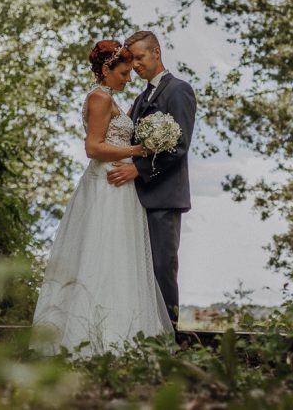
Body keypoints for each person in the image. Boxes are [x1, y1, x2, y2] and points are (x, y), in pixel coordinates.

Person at [30, 40, 173, 357]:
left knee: (119, 259)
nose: (128, 78)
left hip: (119, 188)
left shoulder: (111, 98)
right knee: (99, 255)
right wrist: (139, 150)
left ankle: (121, 334)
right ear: (106, 70)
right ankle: (90, 339)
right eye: (123, 73)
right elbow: (93, 148)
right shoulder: (99, 97)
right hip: (105, 185)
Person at [107, 30, 196, 327]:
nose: (135, 66)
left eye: (140, 58)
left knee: (161, 267)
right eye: (132, 61)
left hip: (164, 197)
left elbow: (179, 147)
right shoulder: (140, 97)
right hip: (136, 198)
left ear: (157, 53)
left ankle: (169, 336)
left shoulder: (179, 90)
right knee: (138, 270)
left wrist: (138, 170)